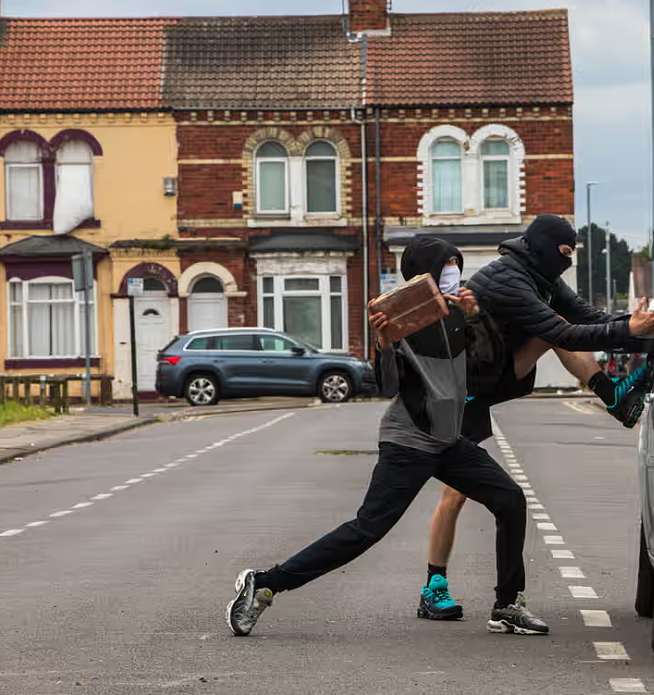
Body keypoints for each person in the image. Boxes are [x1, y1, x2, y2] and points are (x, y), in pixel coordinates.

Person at [226, 236, 549, 637]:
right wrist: (383, 344)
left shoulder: (459, 315)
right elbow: (388, 385)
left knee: (509, 499)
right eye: (446, 266)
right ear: (425, 274)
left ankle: (506, 606)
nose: (454, 273)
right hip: (409, 441)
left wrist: (475, 315)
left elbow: (488, 368)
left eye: (456, 265)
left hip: (448, 441)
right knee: (366, 530)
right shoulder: (403, 317)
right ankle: (267, 582)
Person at [418, 214, 654, 619]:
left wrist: (640, 330)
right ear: (544, 247)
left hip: (490, 375)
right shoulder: (510, 280)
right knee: (454, 492)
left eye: (572, 255)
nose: (566, 261)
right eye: (564, 253)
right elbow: (566, 333)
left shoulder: (540, 274)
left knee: (555, 329)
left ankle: (614, 399)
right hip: (462, 389)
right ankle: (434, 586)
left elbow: (587, 316)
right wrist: (629, 332)